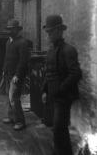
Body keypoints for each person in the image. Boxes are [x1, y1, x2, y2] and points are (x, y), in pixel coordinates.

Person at [42, 15, 82, 155]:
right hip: (53, 94)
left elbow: (75, 74)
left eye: (51, 32)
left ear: (60, 31)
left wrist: (61, 89)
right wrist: (45, 91)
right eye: (47, 32)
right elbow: (49, 72)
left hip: (63, 96)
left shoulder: (68, 50)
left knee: (60, 127)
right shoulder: (50, 51)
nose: (48, 35)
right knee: (56, 126)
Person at [2, 19, 29, 131]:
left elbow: (23, 61)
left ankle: (20, 121)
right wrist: (4, 70)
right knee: (9, 96)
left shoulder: (23, 43)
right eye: (8, 29)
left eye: (11, 29)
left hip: (16, 76)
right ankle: (12, 117)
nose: (9, 31)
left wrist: (18, 75)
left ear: (17, 30)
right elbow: (7, 59)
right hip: (8, 74)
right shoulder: (8, 42)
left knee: (14, 98)